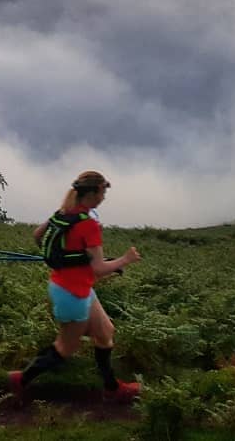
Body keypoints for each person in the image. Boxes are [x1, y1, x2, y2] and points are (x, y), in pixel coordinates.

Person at [8, 170, 143, 402]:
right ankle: (20, 379)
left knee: (105, 333)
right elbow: (100, 268)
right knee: (66, 347)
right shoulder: (88, 225)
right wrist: (124, 260)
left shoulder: (63, 214)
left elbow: (38, 235)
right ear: (92, 193)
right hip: (72, 294)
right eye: (103, 192)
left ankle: (111, 388)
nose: (104, 197)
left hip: (73, 286)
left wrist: (64, 257)